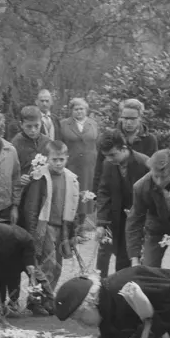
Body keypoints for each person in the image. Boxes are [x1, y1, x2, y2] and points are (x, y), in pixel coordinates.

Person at [21, 139, 80, 295]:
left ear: (67, 158)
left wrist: (74, 232)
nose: (58, 163)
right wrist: (32, 231)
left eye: (62, 159)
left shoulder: (71, 178)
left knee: (58, 265)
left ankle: (49, 295)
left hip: (63, 227)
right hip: (45, 226)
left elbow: (74, 206)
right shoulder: (40, 177)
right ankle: (39, 298)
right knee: (47, 263)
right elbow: (31, 207)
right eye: (54, 160)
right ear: (47, 158)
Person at [94, 129, 149, 278]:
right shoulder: (108, 164)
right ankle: (109, 292)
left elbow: (153, 195)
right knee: (114, 258)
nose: (110, 159)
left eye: (113, 154)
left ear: (124, 148)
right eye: (106, 156)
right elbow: (104, 192)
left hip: (139, 221)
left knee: (136, 259)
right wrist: (101, 223)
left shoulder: (144, 163)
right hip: (117, 219)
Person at [92, 99, 158, 193]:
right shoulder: (110, 137)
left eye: (133, 119)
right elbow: (99, 169)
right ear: (120, 117)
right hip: (114, 192)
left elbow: (152, 171)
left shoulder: (150, 140)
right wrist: (95, 194)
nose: (128, 122)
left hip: (139, 192)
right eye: (125, 118)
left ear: (140, 118)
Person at [57, 97, 98, 238]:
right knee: (71, 194)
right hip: (71, 165)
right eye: (76, 109)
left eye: (81, 109)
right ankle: (69, 230)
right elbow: (59, 144)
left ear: (86, 110)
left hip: (88, 166)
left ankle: (81, 229)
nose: (79, 111)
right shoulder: (63, 124)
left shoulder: (93, 124)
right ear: (71, 111)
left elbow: (97, 143)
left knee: (85, 196)